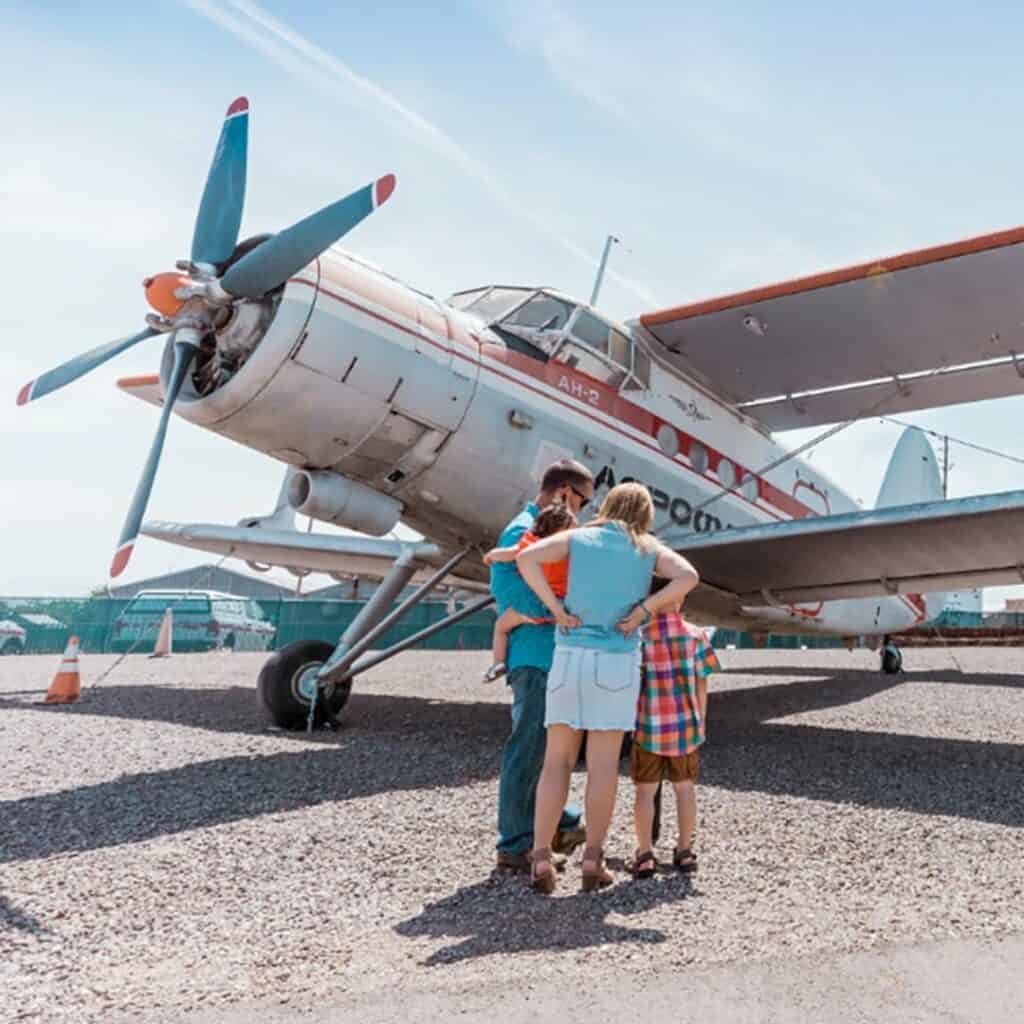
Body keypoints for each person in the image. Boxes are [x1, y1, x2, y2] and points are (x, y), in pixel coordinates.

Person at [517, 482, 699, 893]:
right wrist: (643, 610)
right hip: (617, 660)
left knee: (556, 761)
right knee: (602, 766)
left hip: (569, 655)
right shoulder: (646, 547)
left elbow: (526, 558)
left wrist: (555, 607)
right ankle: (593, 860)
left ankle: (542, 857)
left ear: (610, 505)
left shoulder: (579, 538)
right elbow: (689, 576)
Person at [489, 459, 595, 873]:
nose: (582, 511)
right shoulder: (523, 532)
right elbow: (516, 596)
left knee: (546, 751)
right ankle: (514, 845)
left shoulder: (534, 531)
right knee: (528, 749)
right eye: (583, 501)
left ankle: (559, 821)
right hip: (535, 659)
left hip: (544, 655)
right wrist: (573, 608)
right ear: (566, 493)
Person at [629, 576, 719, 880]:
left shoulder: (640, 638)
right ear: (679, 598)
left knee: (644, 791)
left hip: (648, 727)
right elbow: (703, 681)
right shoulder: (696, 636)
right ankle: (684, 850)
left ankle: (644, 854)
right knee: (685, 789)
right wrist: (700, 719)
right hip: (685, 728)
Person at [481, 503, 577, 683]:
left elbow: (508, 554)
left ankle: (498, 662)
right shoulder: (568, 549)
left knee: (501, 627)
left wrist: (491, 555)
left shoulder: (531, 545)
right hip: (563, 605)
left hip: (534, 607)